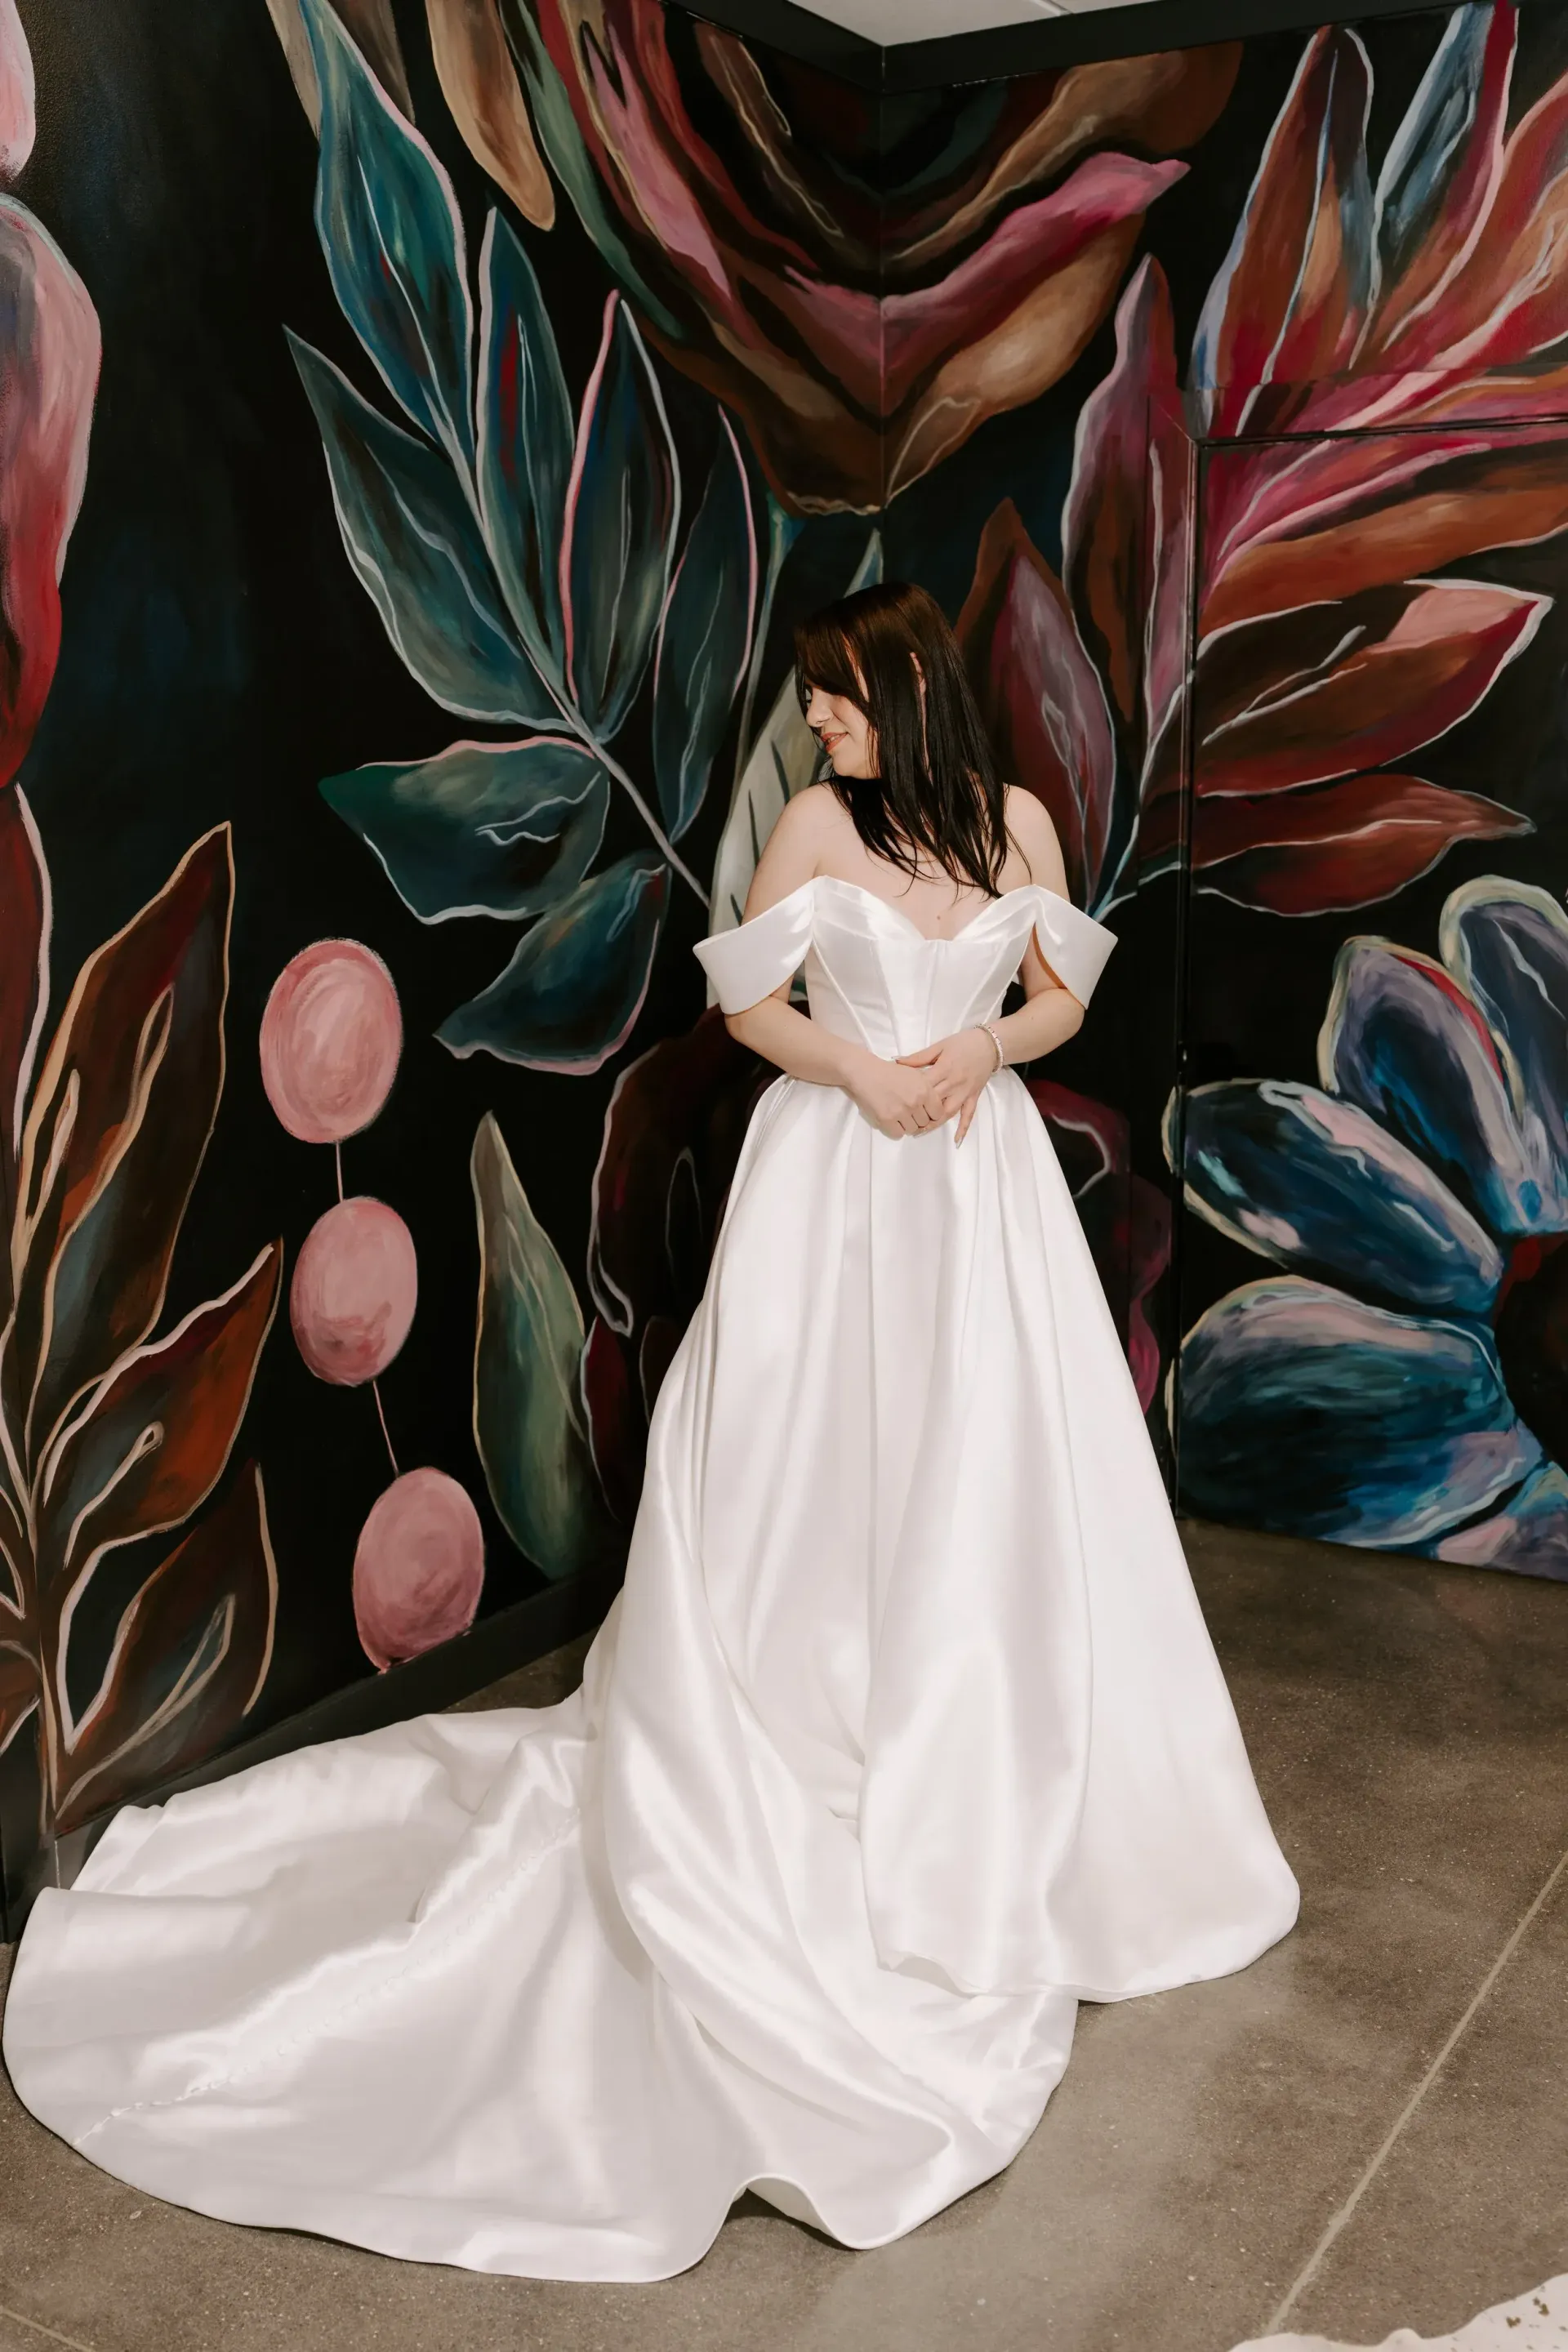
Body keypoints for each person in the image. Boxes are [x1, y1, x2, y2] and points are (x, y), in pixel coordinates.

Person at [2, 581, 1297, 2283]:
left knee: (997, 1490)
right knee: (816, 1485)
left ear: (901, 690)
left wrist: (974, 1052)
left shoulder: (1019, 822)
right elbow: (749, 1005)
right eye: (814, 705)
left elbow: (1061, 990)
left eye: (835, 701)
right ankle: (808, 1740)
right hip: (840, 1187)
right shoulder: (818, 833)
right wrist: (861, 1073)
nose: (817, 728)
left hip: (975, 1197)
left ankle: (995, 1778)